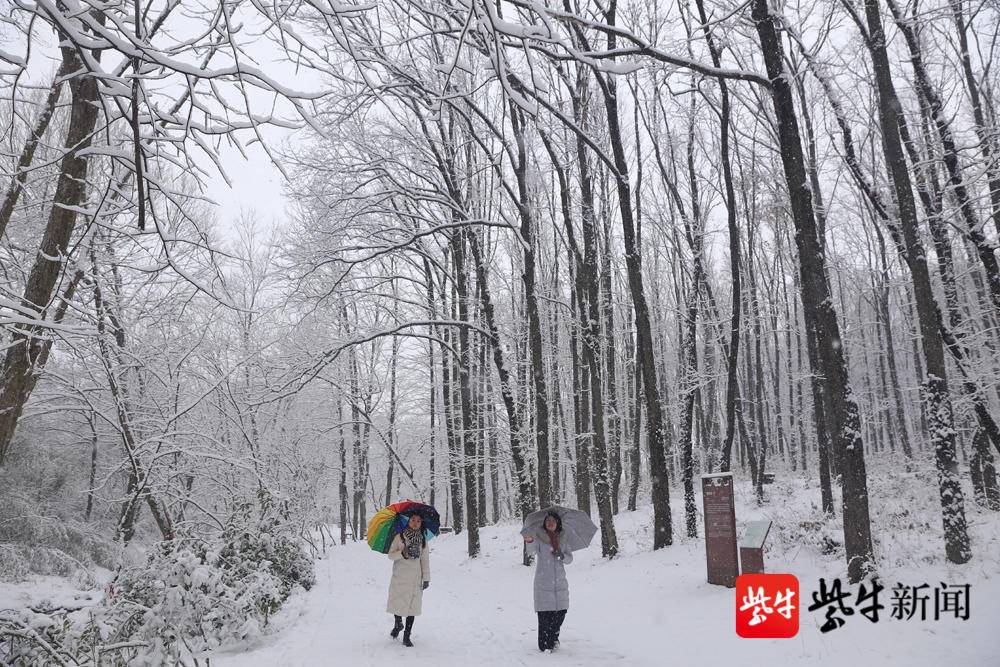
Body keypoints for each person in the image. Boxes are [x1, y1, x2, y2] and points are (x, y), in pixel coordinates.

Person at [523, 512, 573, 652]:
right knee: (545, 616)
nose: (550, 522)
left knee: (561, 612)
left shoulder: (563, 539)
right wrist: (530, 542)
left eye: (553, 520)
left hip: (560, 583)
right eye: (548, 520)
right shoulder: (539, 538)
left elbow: (570, 559)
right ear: (544, 523)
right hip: (543, 583)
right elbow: (531, 552)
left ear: (558, 523)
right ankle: (544, 644)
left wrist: (562, 556)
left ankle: (553, 638)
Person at [386, 514, 430, 647]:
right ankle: (398, 623)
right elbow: (390, 555)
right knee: (397, 602)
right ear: (408, 521)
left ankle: (407, 635)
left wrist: (426, 578)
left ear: (421, 522)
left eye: (418, 520)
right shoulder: (399, 537)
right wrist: (402, 553)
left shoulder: (423, 540)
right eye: (413, 520)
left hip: (415, 579)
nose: (415, 523)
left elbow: (425, 560)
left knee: (412, 607)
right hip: (400, 576)